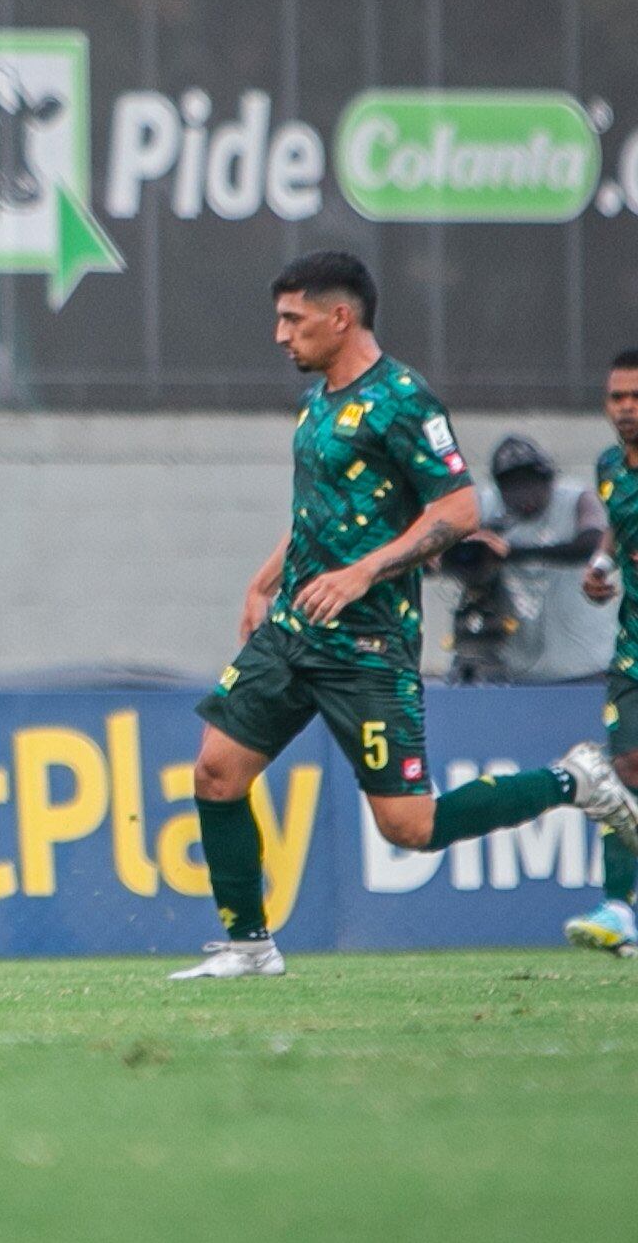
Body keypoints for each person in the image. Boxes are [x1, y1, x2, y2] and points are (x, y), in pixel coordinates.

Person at [171, 251, 638, 980]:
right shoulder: (320, 401)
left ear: (340, 316)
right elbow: (318, 512)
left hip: (368, 644)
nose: (279, 335)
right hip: (296, 628)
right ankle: (249, 946)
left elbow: (455, 508)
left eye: (292, 319)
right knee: (216, 772)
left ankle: (573, 782)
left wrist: (363, 572)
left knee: (409, 826)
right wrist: (263, 580)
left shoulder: (403, 400)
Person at [566, 352, 638, 954]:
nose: (626, 408)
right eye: (617, 397)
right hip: (632, 648)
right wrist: (601, 564)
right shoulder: (611, 466)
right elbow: (619, 520)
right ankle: (618, 907)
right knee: (621, 771)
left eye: (636, 396)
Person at [438, 434, 611, 684]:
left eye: (531, 483)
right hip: (516, 668)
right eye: (512, 486)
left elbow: (593, 544)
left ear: (548, 479)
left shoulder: (576, 499)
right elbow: (448, 556)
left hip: (585, 665)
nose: (523, 494)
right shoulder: (487, 505)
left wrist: (513, 553)